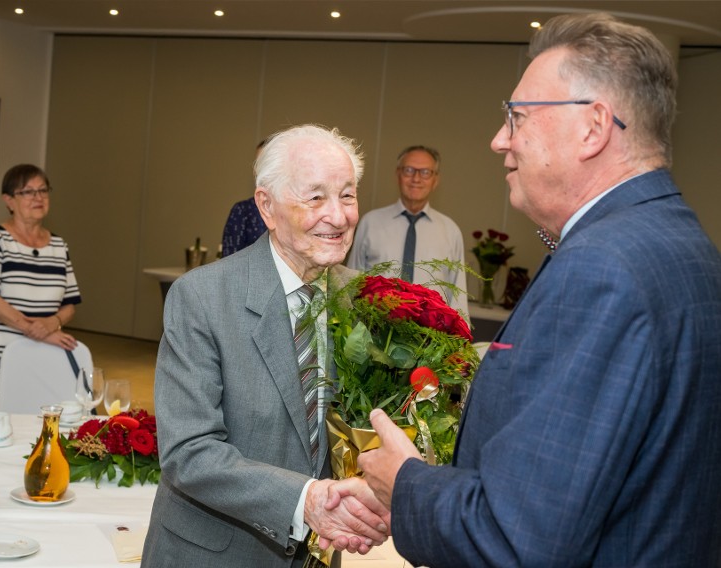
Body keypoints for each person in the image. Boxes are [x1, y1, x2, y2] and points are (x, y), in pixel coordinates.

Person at [351, 12, 721, 567]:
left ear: (594, 128)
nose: (500, 140)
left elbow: (517, 540)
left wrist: (406, 484)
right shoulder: (684, 245)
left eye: (517, 117)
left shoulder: (599, 272)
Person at [141, 125, 391, 567]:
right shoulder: (203, 297)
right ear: (267, 207)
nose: (338, 215)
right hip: (216, 554)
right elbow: (190, 453)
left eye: (348, 195)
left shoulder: (365, 300)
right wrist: (306, 500)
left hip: (319, 553)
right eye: (315, 197)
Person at [0, 164, 81, 412]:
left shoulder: (58, 246)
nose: (38, 197)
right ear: (9, 200)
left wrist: (52, 323)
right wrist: (34, 329)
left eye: (43, 190)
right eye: (28, 191)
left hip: (44, 352)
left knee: (39, 419)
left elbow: (70, 305)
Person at [347, 145, 468, 313]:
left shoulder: (450, 231)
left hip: (431, 335)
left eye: (425, 172)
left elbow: (458, 295)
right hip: (374, 330)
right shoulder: (370, 223)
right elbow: (352, 283)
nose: (416, 179)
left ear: (436, 180)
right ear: (398, 174)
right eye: (409, 170)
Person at [220, 139, 269, 257]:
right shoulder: (242, 210)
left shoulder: (297, 208)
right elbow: (229, 262)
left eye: (265, 163)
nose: (257, 170)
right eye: (256, 164)